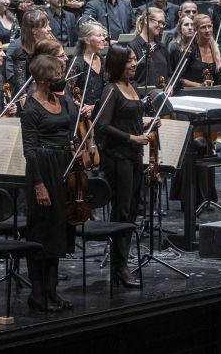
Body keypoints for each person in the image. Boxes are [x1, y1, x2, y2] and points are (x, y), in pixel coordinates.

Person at [21, 53, 76, 311]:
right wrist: (38, 184)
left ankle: (52, 291)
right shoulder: (30, 108)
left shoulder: (59, 99)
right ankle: (38, 293)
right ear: (43, 79)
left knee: (58, 232)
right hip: (43, 168)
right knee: (41, 233)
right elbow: (29, 151)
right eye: (56, 74)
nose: (61, 78)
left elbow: (70, 124)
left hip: (62, 165)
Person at [96, 44, 147, 288]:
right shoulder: (111, 90)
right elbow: (103, 126)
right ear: (118, 63)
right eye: (129, 60)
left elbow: (131, 119)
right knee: (122, 211)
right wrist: (131, 138)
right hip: (118, 158)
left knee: (134, 208)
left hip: (134, 156)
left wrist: (146, 127)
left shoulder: (132, 87)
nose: (134, 63)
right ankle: (119, 266)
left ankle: (123, 261)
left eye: (135, 59)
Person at [6, 7, 52, 96]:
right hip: (26, 95)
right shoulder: (18, 48)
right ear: (34, 30)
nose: (50, 29)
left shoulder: (45, 44)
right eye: (45, 26)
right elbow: (16, 82)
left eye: (48, 24)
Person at [175, 13, 220, 88]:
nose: (207, 30)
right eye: (203, 27)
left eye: (209, 26)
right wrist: (199, 85)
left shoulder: (217, 50)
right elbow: (177, 79)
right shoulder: (189, 50)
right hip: (192, 95)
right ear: (195, 30)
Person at [129, 6, 170, 89]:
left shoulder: (162, 48)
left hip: (162, 96)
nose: (161, 26)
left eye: (163, 23)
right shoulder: (132, 46)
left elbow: (169, 74)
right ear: (146, 20)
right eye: (159, 22)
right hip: (141, 98)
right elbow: (129, 79)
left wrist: (169, 85)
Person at [70, 22, 106, 111]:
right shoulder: (77, 63)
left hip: (101, 110)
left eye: (103, 35)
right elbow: (66, 92)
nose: (103, 39)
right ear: (87, 40)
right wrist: (80, 105)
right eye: (99, 36)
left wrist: (94, 107)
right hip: (82, 112)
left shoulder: (103, 60)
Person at [167, 13, 196, 85]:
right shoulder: (173, 47)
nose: (190, 28)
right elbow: (171, 74)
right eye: (186, 25)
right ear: (180, 28)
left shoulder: (193, 47)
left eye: (192, 25)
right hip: (175, 86)